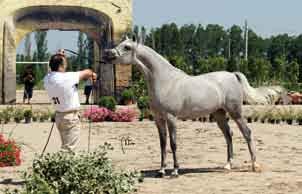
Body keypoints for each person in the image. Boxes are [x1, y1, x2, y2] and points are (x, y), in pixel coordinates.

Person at [43, 50, 97, 152]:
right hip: (70, 117)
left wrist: (60, 56)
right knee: (69, 150)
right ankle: (62, 168)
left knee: (65, 146)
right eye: (65, 63)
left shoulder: (47, 78)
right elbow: (88, 72)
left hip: (59, 116)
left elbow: (54, 67)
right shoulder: (67, 77)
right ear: (61, 65)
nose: (66, 65)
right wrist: (93, 74)